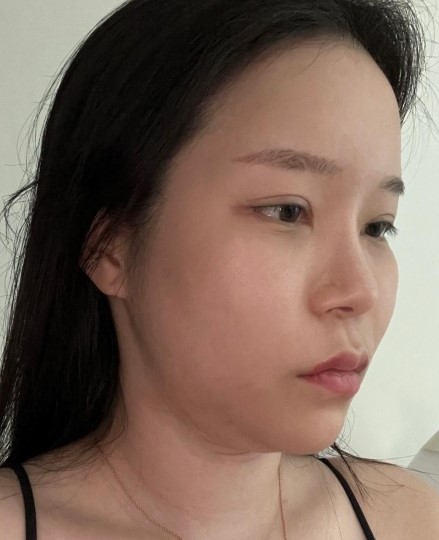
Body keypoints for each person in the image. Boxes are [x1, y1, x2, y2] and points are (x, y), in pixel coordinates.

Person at [0, 0, 438, 538]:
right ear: (110, 248)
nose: (361, 291)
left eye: (376, 227)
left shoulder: (412, 519)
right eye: (288, 211)